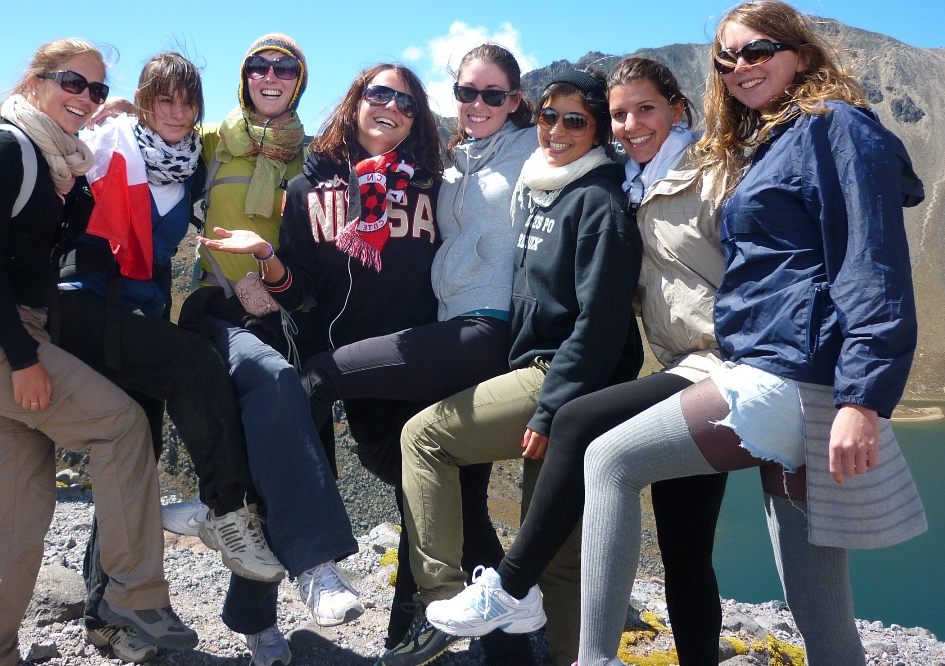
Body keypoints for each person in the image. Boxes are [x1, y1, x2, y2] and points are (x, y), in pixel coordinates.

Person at [577, 1, 927, 666]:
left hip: (789, 376)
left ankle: (590, 659)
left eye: (757, 50)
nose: (740, 67)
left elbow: (872, 266)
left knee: (609, 460)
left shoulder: (835, 127)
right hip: (790, 377)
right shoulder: (778, 137)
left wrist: (863, 399)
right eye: (726, 58)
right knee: (818, 609)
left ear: (798, 52)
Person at [201, 62, 524, 664]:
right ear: (355, 102)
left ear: (417, 119)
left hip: (419, 362)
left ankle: (430, 637)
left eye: (405, 102)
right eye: (378, 94)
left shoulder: (435, 183)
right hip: (343, 362)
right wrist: (268, 255)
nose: (390, 107)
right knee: (326, 462)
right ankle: (264, 603)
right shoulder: (308, 189)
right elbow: (298, 290)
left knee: (439, 498)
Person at [424, 57, 729, 666]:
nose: (632, 123)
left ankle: (510, 589)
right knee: (685, 548)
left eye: (645, 109)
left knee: (575, 424)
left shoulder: (703, 176)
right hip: (680, 366)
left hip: (722, 364)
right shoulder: (635, 183)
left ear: (679, 109)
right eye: (621, 114)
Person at [0, 40, 197, 665]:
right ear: (35, 81)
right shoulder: (7, 148)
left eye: (97, 90)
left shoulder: (57, 160)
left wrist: (108, 131)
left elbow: (71, 230)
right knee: (121, 425)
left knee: (17, 506)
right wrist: (23, 358)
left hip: (5, 337)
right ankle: (136, 591)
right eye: (72, 83)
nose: (85, 97)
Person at [293, 44, 547, 664]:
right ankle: (494, 647)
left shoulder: (533, 151)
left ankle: (307, 549)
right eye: (466, 93)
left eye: (493, 95)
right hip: (445, 338)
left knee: (316, 380)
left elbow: (592, 149)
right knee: (446, 499)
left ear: (515, 101)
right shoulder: (448, 163)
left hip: (486, 332)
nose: (478, 104)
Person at [388, 69, 644, 666]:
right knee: (553, 550)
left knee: (425, 437)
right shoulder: (547, 186)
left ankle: (445, 600)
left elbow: (602, 323)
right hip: (553, 377)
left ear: (600, 130)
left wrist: (552, 407)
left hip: (568, 383)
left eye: (575, 120)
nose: (555, 130)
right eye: (548, 116)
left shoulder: (598, 203)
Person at [54, 52, 283, 662]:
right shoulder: (105, 141)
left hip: (140, 311)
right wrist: (102, 110)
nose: (177, 113)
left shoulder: (190, 163)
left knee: (136, 458)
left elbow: (240, 169)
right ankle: (228, 511)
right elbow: (41, 138)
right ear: (145, 100)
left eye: (187, 103)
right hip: (82, 304)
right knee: (194, 364)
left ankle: (109, 613)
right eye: (164, 101)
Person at [174, 34, 363, 666]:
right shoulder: (209, 143)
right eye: (260, 66)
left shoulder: (312, 162)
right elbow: (158, 138)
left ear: (300, 82)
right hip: (220, 311)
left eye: (286, 69)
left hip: (291, 317)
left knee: (287, 464)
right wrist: (120, 107)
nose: (272, 75)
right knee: (271, 399)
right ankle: (309, 570)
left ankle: (253, 615)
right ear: (244, 77)